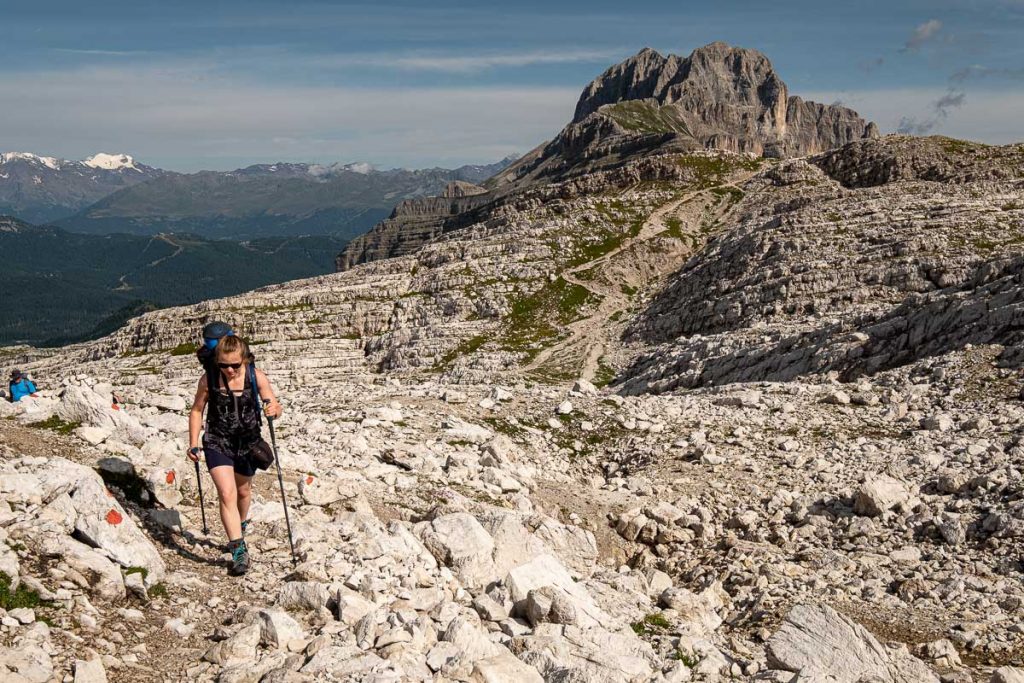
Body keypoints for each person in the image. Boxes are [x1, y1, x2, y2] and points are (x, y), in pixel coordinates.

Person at [187, 335, 283, 575]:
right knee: (226, 492)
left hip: (248, 444)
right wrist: (193, 443)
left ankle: (239, 526)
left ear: (245, 360)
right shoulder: (208, 380)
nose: (229, 370)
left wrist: (274, 408)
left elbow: (274, 404)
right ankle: (238, 549)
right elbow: (197, 410)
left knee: (243, 491)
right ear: (216, 362)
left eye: (234, 365)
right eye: (223, 365)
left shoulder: (256, 377)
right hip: (217, 442)